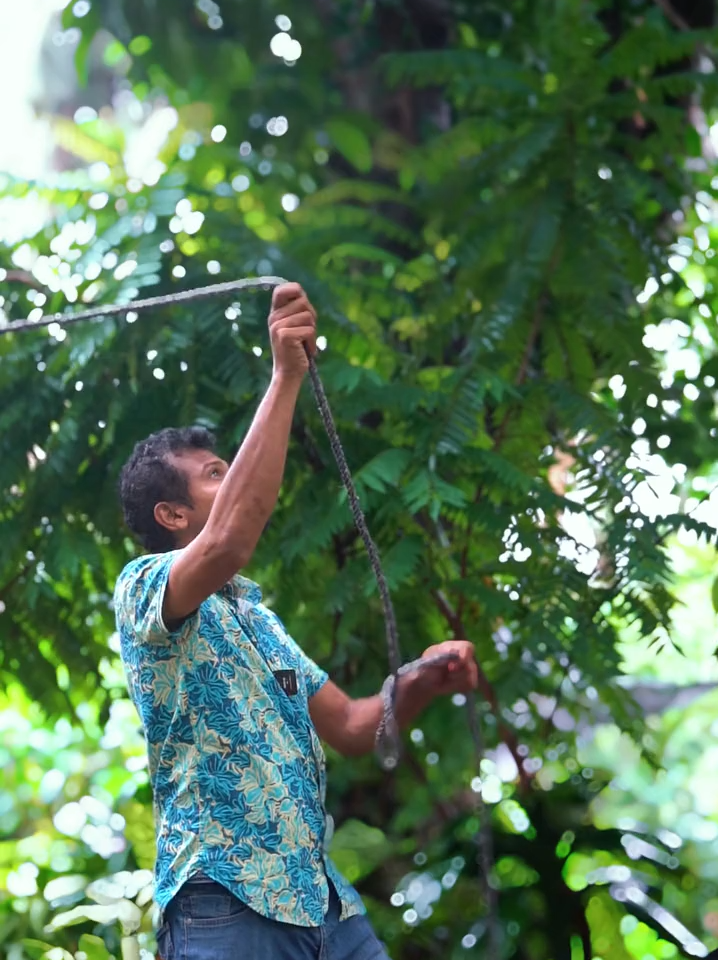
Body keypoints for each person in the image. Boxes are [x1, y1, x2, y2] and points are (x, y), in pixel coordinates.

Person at [114, 282, 479, 960]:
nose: (234, 481)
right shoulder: (143, 589)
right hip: (222, 902)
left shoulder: (257, 618)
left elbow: (350, 727)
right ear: (172, 515)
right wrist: (286, 376)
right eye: (215, 473)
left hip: (322, 903)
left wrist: (425, 677)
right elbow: (227, 539)